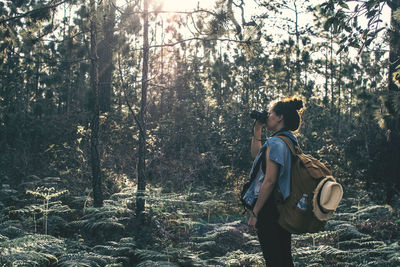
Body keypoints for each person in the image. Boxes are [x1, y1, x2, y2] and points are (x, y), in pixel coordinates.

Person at [248, 96, 303, 267]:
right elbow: (257, 156)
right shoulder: (289, 141)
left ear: (280, 117)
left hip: (270, 207)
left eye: (270, 112)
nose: (268, 115)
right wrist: (258, 130)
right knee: (284, 258)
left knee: (274, 260)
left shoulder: (275, 143)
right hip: (284, 205)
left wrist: (255, 213)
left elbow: (270, 180)